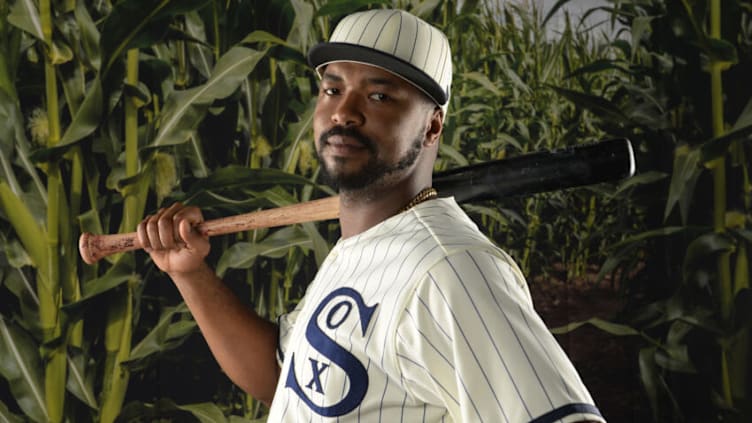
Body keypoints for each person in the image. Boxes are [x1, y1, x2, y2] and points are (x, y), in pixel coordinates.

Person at [137, 8, 606, 423]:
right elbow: (284, 379)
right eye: (332, 88)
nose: (344, 112)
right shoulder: (364, 245)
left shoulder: (449, 270)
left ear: (433, 125)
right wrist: (191, 274)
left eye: (379, 96)